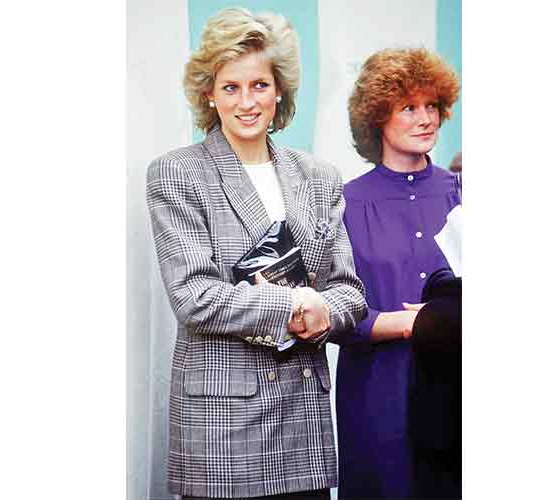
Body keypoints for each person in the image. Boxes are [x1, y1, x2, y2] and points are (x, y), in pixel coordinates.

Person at [145, 8, 367, 500]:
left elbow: (350, 292)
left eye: (259, 85)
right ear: (209, 93)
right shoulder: (177, 173)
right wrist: (294, 304)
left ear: (279, 89)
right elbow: (193, 296)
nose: (246, 102)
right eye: (231, 87)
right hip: (225, 428)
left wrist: (324, 312)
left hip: (303, 424)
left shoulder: (319, 176)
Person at [336, 47, 462, 498]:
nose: (425, 119)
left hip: (454, 392)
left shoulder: (463, 193)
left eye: (432, 106)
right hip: (376, 393)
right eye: (408, 107)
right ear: (377, 116)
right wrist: (411, 324)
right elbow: (334, 313)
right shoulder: (345, 202)